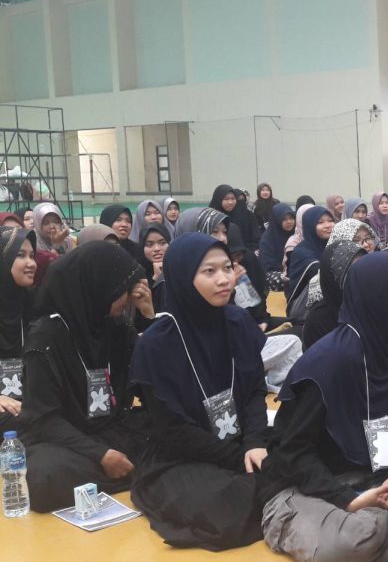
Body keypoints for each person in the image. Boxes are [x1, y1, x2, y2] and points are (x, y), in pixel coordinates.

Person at [262, 252, 388, 561]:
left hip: (373, 478)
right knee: (351, 541)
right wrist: (348, 500)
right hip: (311, 485)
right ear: (378, 295)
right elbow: (292, 451)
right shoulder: (331, 360)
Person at [130, 233, 269, 550]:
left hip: (241, 440)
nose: (224, 279)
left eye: (227, 268)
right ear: (182, 276)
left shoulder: (237, 321)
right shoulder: (156, 343)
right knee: (226, 505)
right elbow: (172, 430)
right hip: (183, 456)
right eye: (209, 271)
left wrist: (255, 443)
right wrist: (238, 458)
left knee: (299, 460)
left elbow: (254, 392)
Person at [21, 242, 151, 511]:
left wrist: (149, 317)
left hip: (112, 429)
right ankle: (133, 471)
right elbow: (43, 419)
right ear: (98, 287)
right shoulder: (45, 338)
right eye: (123, 290)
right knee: (46, 475)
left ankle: (118, 473)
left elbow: (151, 381)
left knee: (167, 434)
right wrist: (101, 455)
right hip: (67, 441)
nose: (129, 298)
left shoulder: (115, 325)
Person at [0, 226, 36, 431]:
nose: (31, 263)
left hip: (23, 402)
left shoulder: (32, 304)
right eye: (21, 255)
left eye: (32, 255)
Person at [287, 206, 335, 297]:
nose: (327, 225)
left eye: (330, 220)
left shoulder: (334, 245)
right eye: (320, 222)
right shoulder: (301, 252)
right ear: (310, 226)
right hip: (308, 302)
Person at [210, 185, 261, 252]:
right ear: (218, 199)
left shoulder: (242, 215)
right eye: (226, 199)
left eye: (233, 199)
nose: (230, 202)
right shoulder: (210, 218)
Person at [258, 203, 295, 292]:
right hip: (276, 281)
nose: (289, 222)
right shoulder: (267, 240)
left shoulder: (297, 235)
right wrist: (284, 274)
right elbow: (267, 267)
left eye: (291, 218)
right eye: (284, 219)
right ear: (277, 220)